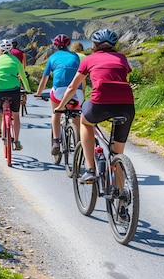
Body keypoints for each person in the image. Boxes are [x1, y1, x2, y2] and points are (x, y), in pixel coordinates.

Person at [54, 29, 134, 185]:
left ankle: (90, 170)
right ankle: (122, 196)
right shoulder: (122, 58)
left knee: (85, 122)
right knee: (117, 152)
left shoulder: (89, 60)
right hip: (127, 105)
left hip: (100, 102)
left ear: (95, 45)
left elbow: (72, 88)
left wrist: (61, 106)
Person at [33, 34, 85, 155]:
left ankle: (56, 141)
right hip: (76, 92)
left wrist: (38, 93)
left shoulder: (52, 57)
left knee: (56, 113)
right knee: (76, 117)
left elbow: (44, 79)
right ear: (68, 44)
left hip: (59, 92)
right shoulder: (76, 56)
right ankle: (78, 143)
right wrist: (81, 93)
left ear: (55, 45)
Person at [0, 39, 32, 151]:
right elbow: (23, 77)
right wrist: (28, 89)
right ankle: (16, 141)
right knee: (15, 115)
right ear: (11, 49)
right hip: (13, 90)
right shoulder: (16, 60)